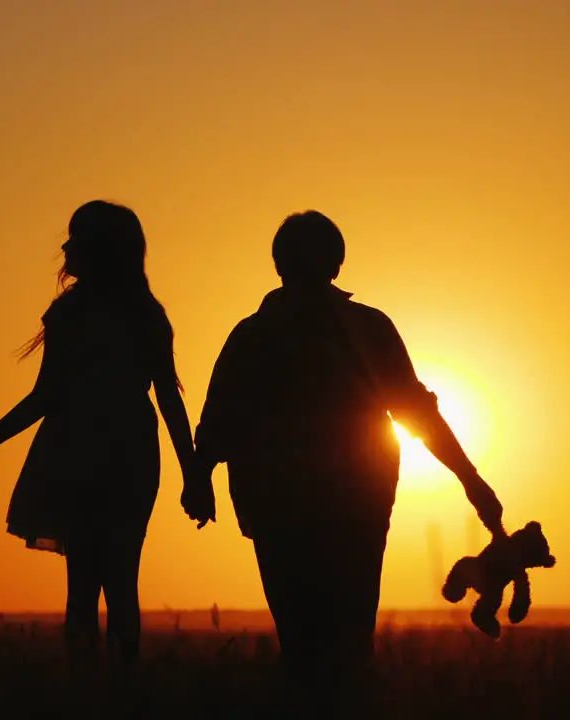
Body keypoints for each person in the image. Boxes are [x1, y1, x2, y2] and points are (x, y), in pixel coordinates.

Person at [184, 210, 503, 709]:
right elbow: (416, 411)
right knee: (345, 632)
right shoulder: (345, 328)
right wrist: (471, 480)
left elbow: (219, 420)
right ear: (336, 263)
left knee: (307, 632)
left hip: (300, 502)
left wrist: (200, 478)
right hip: (334, 502)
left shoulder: (259, 332)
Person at [0, 200, 201, 667]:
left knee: (84, 584)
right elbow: (169, 401)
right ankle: (121, 691)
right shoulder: (146, 313)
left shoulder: (71, 313)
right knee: (122, 583)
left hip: (78, 452)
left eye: (76, 238)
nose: (66, 246)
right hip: (131, 452)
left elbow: (44, 397)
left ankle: (87, 691)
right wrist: (192, 475)